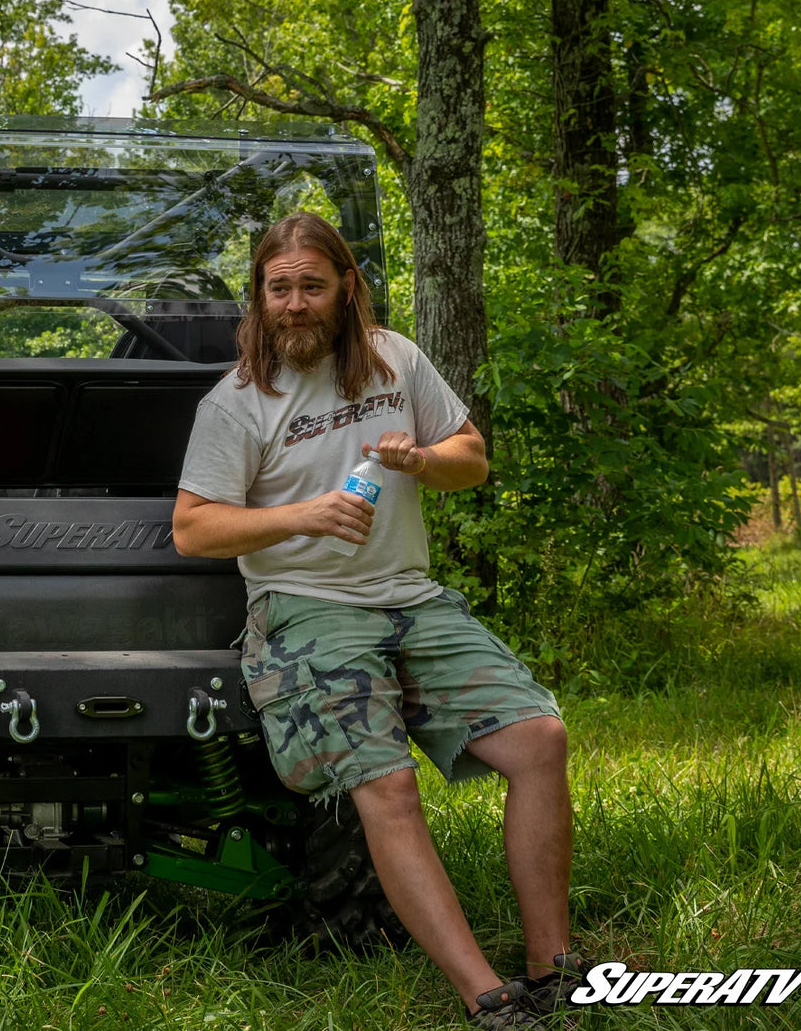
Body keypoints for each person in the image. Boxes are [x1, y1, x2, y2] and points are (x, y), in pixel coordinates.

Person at [172, 211, 584, 1028]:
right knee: (386, 785)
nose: (293, 304)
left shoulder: (396, 359)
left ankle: (554, 971)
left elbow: (470, 460)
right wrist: (302, 517)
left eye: (310, 286)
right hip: (304, 609)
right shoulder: (238, 402)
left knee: (539, 741)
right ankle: (487, 998)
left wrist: (423, 461)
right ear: (258, 295)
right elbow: (193, 528)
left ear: (346, 289)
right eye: (277, 287)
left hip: (409, 596)